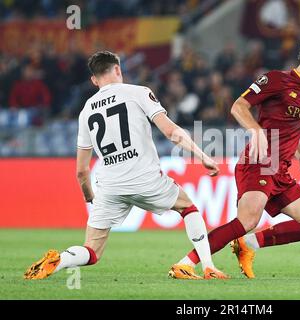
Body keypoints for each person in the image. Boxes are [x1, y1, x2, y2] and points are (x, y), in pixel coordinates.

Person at [24, 51, 228, 280]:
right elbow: (171, 132)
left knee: (92, 251)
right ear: (118, 69)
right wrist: (203, 156)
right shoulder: (138, 93)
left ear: (94, 80)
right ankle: (208, 267)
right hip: (145, 178)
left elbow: (81, 170)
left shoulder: (86, 111)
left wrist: (89, 196)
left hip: (109, 186)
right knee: (188, 208)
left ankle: (60, 260)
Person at [171, 29, 300, 279]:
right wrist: (257, 131)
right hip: (260, 162)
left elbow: (291, 129)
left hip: (281, 170)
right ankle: (185, 263)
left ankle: (248, 244)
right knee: (248, 219)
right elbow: (238, 106)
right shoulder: (276, 79)